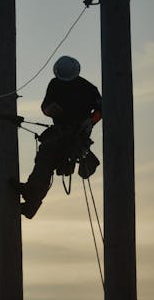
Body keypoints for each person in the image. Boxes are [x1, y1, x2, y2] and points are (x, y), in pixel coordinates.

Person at [15, 56, 102, 219]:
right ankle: (32, 197)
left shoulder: (87, 88)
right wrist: (52, 110)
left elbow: (101, 109)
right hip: (61, 131)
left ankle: (32, 198)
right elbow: (45, 106)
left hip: (76, 135)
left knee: (46, 157)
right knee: (45, 159)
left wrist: (90, 121)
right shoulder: (56, 84)